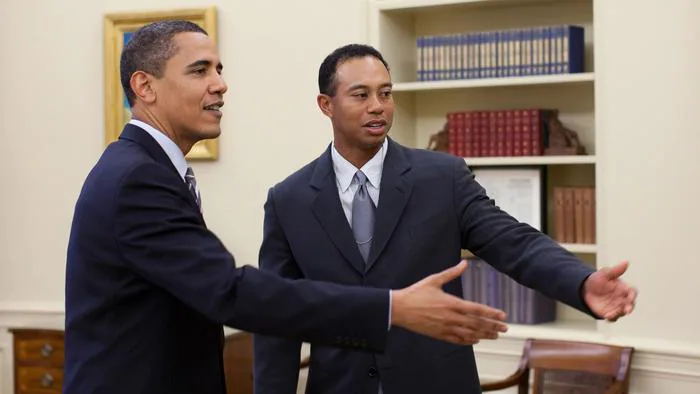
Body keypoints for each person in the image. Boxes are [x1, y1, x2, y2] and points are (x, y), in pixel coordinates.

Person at [62, 22, 510, 394]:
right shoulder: (138, 177)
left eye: (219, 69)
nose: (220, 83)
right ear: (145, 86)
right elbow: (230, 293)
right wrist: (391, 308)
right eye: (200, 70)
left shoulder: (145, 168)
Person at [252, 44, 638, 394]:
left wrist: (581, 280)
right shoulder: (289, 200)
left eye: (386, 93)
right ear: (326, 104)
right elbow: (276, 321)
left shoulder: (443, 178)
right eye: (361, 95)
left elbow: (513, 241)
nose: (378, 106)